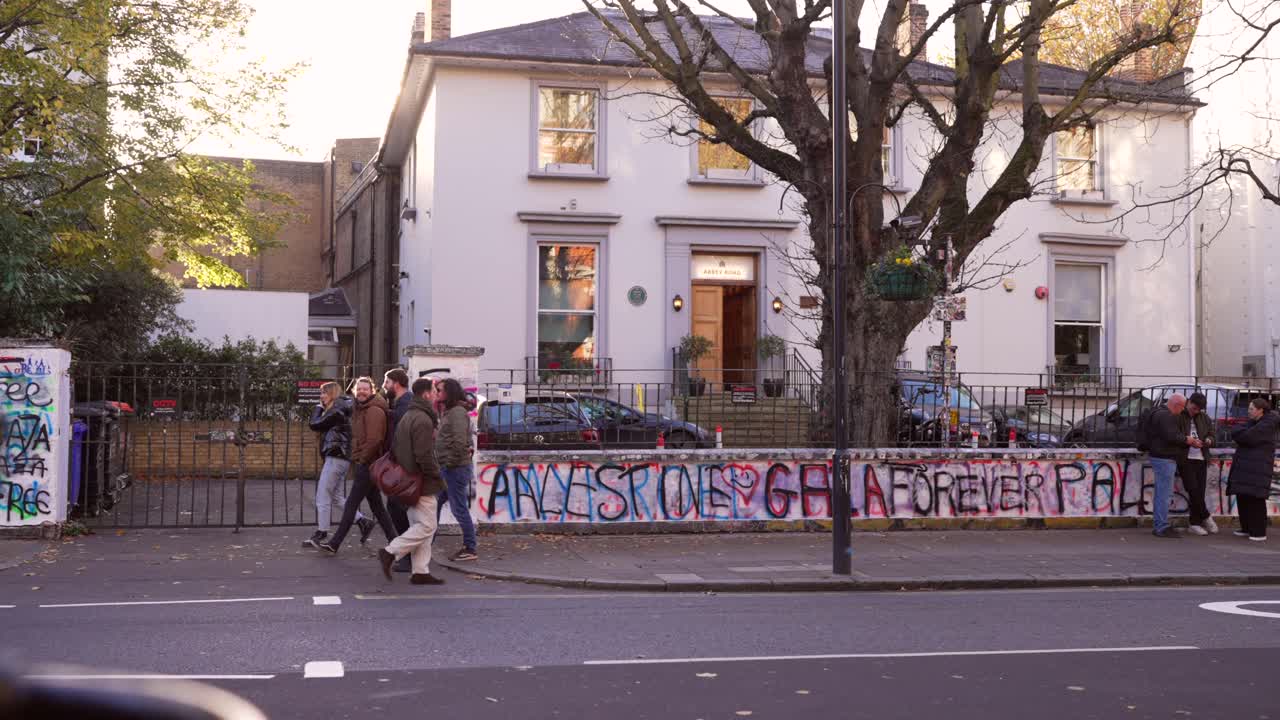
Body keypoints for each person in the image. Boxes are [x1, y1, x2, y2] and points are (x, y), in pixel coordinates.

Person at [377, 377, 448, 585]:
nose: (436, 394)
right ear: (426, 394)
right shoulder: (423, 419)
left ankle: (420, 571)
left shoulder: (409, 415)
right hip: (421, 481)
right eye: (434, 390)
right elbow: (424, 455)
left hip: (408, 480)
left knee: (420, 524)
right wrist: (435, 475)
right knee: (427, 526)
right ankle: (391, 552)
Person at [318, 377, 397, 554]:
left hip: (369, 464)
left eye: (365, 389)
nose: (361, 392)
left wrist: (361, 459)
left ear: (372, 391)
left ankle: (335, 543)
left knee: (351, 504)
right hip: (369, 463)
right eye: (358, 389)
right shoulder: (360, 409)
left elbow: (374, 440)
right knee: (377, 506)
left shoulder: (374, 411)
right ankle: (395, 541)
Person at [305, 382, 363, 548]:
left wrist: (317, 408)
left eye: (323, 393)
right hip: (339, 457)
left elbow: (314, 424)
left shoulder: (337, 410)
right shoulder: (339, 408)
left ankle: (321, 532)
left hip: (336, 457)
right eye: (320, 394)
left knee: (322, 495)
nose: (321, 396)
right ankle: (362, 520)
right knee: (336, 496)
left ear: (332, 393)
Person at [434, 378, 478, 561]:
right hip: (450, 467)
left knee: (459, 508)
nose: (437, 393)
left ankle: (470, 548)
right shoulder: (449, 412)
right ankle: (426, 542)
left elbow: (460, 442)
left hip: (455, 469)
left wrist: (449, 463)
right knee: (434, 504)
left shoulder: (457, 413)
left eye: (440, 390)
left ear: (449, 393)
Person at [1228, 397, 1278, 542]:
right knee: (1243, 497)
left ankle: (1258, 532)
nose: (1248, 412)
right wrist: (1240, 433)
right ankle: (1246, 528)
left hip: (1258, 468)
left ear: (1260, 410)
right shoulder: (1254, 422)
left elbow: (1248, 437)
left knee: (1255, 500)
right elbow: (1239, 430)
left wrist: (1240, 434)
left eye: (1251, 409)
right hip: (1247, 467)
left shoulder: (1267, 424)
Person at [1147, 393, 1196, 539]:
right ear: (1177, 405)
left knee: (1161, 493)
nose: (1182, 412)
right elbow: (1171, 436)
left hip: (1157, 455)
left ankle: (1159, 524)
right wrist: (1187, 439)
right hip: (1165, 458)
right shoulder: (1167, 417)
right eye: (1182, 408)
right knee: (1164, 494)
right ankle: (1161, 526)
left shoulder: (1156, 412)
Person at [382, 368, 415, 572]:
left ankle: (409, 555)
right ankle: (407, 553)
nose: (384, 386)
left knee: (398, 509)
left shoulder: (406, 405)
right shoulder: (401, 404)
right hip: (403, 466)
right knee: (396, 509)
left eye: (386, 382)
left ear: (396, 383)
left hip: (405, 467)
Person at [1178, 392, 1218, 536]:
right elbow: (1175, 435)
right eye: (1193, 408)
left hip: (1201, 458)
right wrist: (1188, 441)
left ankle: (1194, 523)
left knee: (1199, 491)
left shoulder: (1204, 418)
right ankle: (1206, 516)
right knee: (1193, 489)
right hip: (1185, 458)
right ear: (1188, 402)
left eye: (1198, 409)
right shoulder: (1179, 416)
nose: (1195, 411)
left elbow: (1213, 435)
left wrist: (1208, 440)